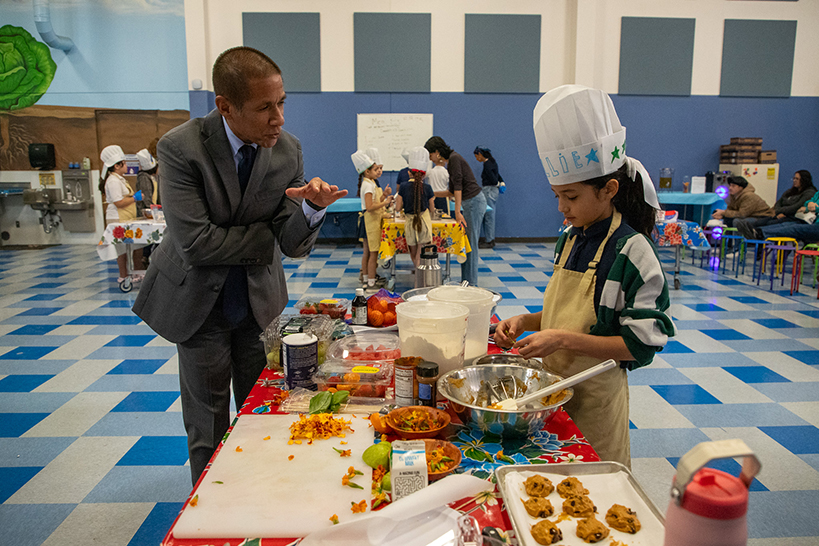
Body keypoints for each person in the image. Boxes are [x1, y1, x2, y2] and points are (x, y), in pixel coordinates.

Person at [132, 46, 347, 485]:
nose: (279, 118)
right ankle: (208, 517)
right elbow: (196, 243)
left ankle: (261, 499)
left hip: (258, 305)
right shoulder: (181, 148)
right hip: (197, 306)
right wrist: (267, 233)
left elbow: (292, 245)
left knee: (263, 412)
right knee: (207, 426)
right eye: (265, 107)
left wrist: (311, 210)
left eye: (282, 102)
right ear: (225, 107)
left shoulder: (288, 151)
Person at [493, 85, 674, 468]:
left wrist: (561, 339)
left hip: (595, 405)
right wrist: (526, 321)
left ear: (609, 189)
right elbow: (572, 313)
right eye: (556, 195)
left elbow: (640, 344)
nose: (562, 207)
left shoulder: (632, 251)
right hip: (551, 394)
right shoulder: (570, 239)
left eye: (571, 197)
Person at [424, 136, 486, 286]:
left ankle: (471, 284)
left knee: (470, 244)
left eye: (430, 155)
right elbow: (451, 191)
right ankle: (466, 281)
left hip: (473, 202)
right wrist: (430, 192)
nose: (430, 159)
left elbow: (458, 188)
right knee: (465, 244)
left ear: (437, 152)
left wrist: (457, 212)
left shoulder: (454, 159)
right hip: (469, 202)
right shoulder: (450, 161)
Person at [98, 144, 144, 282]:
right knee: (121, 250)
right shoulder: (112, 181)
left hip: (126, 217)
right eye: (124, 164)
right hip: (117, 218)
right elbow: (119, 202)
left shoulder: (119, 179)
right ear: (116, 166)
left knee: (136, 245)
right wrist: (134, 198)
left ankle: (136, 272)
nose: (127, 166)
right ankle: (123, 276)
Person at [353, 149, 392, 291]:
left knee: (367, 252)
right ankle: (370, 281)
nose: (379, 171)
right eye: (376, 169)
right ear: (367, 172)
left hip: (369, 220)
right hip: (369, 221)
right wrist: (385, 202)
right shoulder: (368, 185)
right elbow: (370, 207)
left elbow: (374, 201)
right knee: (372, 253)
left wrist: (384, 196)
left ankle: (366, 278)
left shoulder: (370, 183)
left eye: (380, 168)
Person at [735, 170, 815, 240]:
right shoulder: (790, 191)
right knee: (762, 221)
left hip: (793, 217)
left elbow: (796, 207)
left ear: (804, 180)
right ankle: (752, 233)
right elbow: (778, 203)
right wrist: (777, 211)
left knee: (772, 223)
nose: (794, 180)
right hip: (779, 214)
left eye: (797, 179)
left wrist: (781, 211)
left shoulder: (809, 193)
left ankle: (757, 235)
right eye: (794, 178)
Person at [395, 146, 435, 269]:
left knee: (413, 253)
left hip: (409, 223)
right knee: (420, 253)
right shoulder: (428, 188)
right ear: (424, 175)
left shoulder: (403, 186)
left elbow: (397, 208)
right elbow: (432, 209)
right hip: (424, 223)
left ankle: (418, 273)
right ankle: (420, 277)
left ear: (409, 172)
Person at [474, 145, 503, 249]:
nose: (477, 159)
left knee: (488, 215)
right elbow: (498, 175)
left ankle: (489, 240)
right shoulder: (492, 162)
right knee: (490, 214)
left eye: (477, 156)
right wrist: (501, 183)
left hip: (489, 190)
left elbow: (493, 178)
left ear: (480, 154)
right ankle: (490, 239)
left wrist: (497, 183)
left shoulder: (487, 164)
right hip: (493, 191)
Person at [135, 148, 160, 218]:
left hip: (152, 213)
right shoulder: (144, 178)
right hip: (146, 215)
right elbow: (147, 199)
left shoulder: (153, 178)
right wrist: (154, 213)